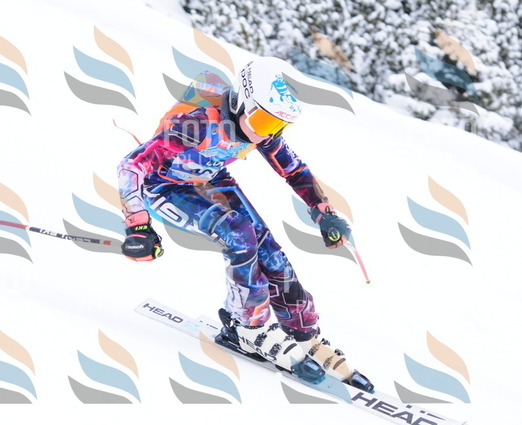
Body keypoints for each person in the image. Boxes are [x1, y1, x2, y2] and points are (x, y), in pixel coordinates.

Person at [117, 57, 372, 391]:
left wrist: (322, 210)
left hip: (210, 178)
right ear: (240, 102)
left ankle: (303, 333)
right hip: (166, 185)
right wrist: (138, 224)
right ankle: (247, 326)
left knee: (269, 250)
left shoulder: (260, 126)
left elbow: (294, 170)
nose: (268, 132)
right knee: (239, 234)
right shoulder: (195, 124)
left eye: (278, 125)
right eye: (264, 121)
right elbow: (132, 165)